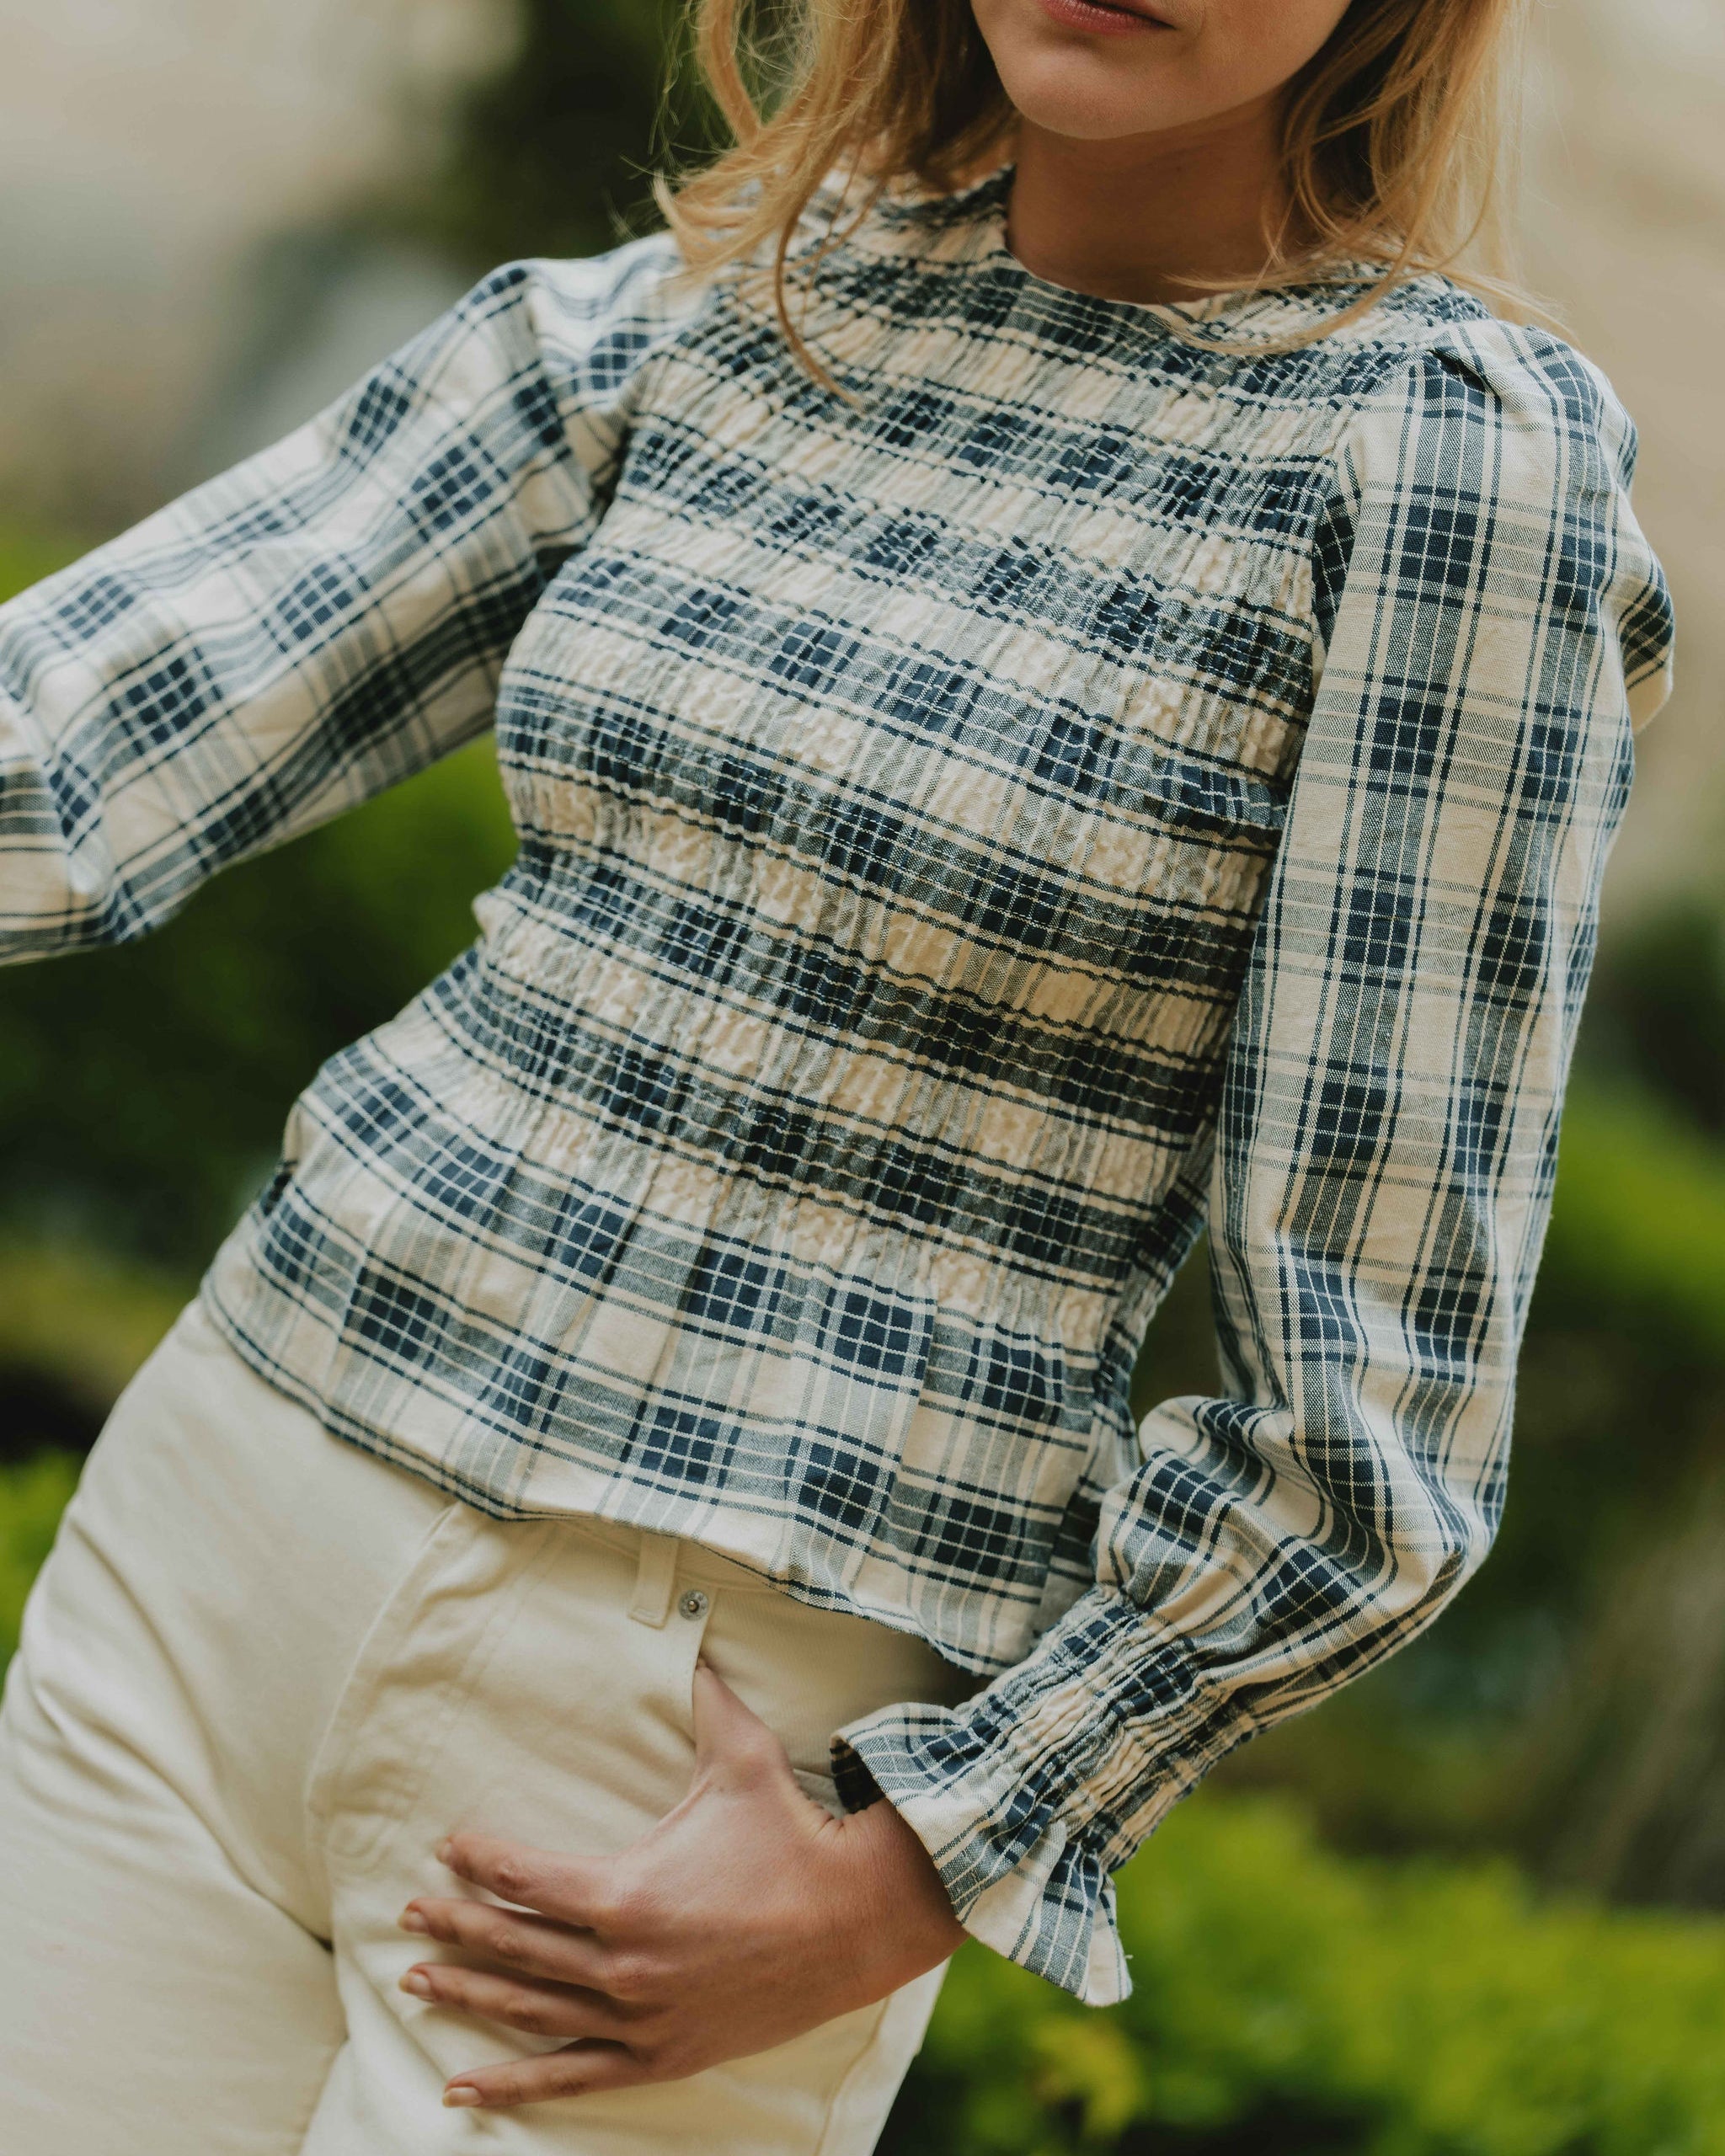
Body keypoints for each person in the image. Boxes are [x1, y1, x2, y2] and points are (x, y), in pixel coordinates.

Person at [0, 0, 1675, 2148]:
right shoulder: (749, 283)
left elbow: (1374, 1411)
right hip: (218, 1530)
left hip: (696, 1751)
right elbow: (89, 732)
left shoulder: (1444, 464)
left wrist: (928, 1851)